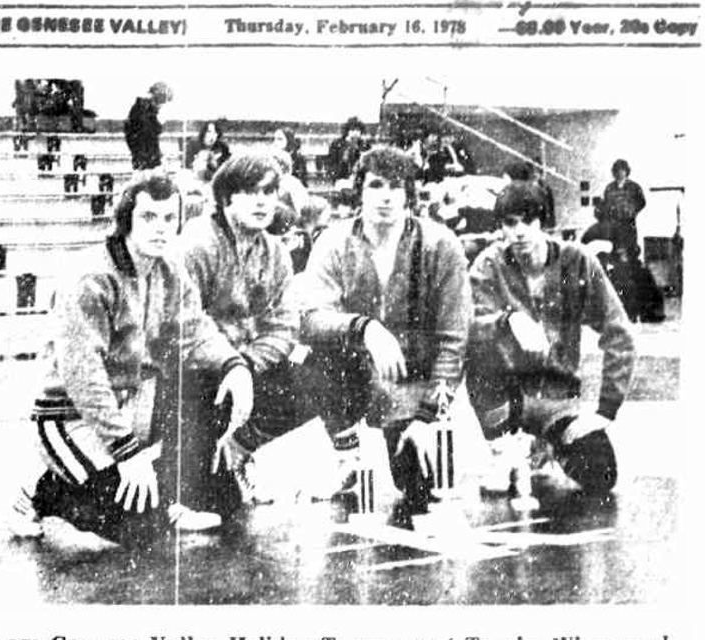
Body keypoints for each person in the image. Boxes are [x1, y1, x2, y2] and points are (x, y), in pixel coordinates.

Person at [10, 173, 252, 545]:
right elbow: (83, 376)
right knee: (139, 530)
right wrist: (127, 452)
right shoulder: (90, 277)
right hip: (71, 414)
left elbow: (195, 330)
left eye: (170, 219)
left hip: (135, 405)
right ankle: (45, 490)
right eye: (149, 217)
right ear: (126, 220)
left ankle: (167, 496)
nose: (161, 229)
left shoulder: (170, 269)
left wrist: (234, 366)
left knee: (211, 392)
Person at [299, 146, 472, 519]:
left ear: (410, 193)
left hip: (411, 385)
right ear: (359, 191)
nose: (387, 195)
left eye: (397, 186)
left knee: (419, 486)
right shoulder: (333, 240)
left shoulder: (441, 244)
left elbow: (454, 340)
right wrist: (364, 328)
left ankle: (415, 432)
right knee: (311, 359)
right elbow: (309, 317)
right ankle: (347, 456)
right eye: (376, 185)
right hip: (357, 375)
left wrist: (431, 416)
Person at [467, 181, 636, 500]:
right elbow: (467, 327)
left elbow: (620, 333)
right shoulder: (488, 265)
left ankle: (545, 444)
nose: (519, 232)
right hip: (508, 393)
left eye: (527, 221)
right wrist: (507, 321)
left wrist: (604, 411)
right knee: (475, 352)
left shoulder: (578, 261)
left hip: (557, 395)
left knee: (601, 473)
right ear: (501, 226)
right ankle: (503, 447)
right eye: (509, 223)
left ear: (542, 222)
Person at [177, 151, 301, 517]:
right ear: (227, 197)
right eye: (250, 191)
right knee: (216, 507)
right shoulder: (197, 243)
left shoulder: (276, 252)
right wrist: (228, 363)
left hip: (244, 367)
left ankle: (240, 447)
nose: (263, 201)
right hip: (198, 372)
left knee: (328, 367)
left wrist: (245, 364)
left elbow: (285, 324)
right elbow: (185, 322)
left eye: (270, 191)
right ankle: (206, 456)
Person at [600, 159, 646, 260]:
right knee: (616, 247)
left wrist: (632, 211)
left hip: (629, 223)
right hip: (614, 224)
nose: (619, 173)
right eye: (617, 170)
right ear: (614, 172)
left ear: (626, 171)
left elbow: (642, 202)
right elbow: (605, 203)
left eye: (622, 170)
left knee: (631, 248)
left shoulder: (634, 187)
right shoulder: (609, 188)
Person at [123, 82, 173, 170]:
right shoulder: (142, 112)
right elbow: (146, 135)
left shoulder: (146, 111)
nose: (161, 106)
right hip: (145, 160)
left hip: (146, 158)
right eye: (162, 102)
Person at [326, 116, 370, 184]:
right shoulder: (337, 144)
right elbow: (331, 163)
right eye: (352, 130)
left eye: (358, 130)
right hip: (341, 178)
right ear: (347, 131)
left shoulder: (365, 145)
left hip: (359, 181)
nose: (355, 133)